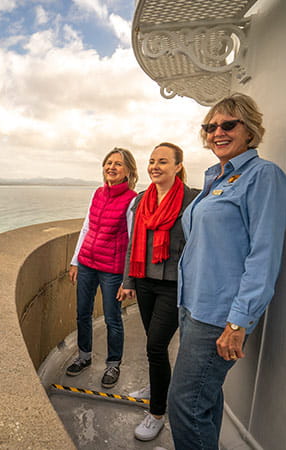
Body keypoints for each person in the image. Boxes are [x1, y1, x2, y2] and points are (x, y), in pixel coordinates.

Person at [167, 93, 286, 449]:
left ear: (249, 130)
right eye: (210, 127)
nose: (217, 132)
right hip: (193, 307)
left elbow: (264, 257)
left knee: (185, 405)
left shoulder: (263, 176)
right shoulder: (216, 179)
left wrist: (238, 323)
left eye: (227, 125)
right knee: (205, 398)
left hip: (220, 316)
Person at [116, 143, 199, 441]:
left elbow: (198, 247)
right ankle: (157, 383)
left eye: (163, 161)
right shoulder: (140, 202)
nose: (155, 166)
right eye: (152, 161)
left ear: (178, 166)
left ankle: (156, 414)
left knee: (154, 345)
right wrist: (128, 281)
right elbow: (131, 244)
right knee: (156, 347)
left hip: (174, 285)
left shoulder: (193, 200)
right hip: (145, 281)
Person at [67, 147, 139, 389]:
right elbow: (87, 227)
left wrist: (127, 279)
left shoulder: (131, 200)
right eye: (109, 163)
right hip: (87, 263)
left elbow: (133, 239)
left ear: (128, 170)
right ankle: (84, 356)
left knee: (112, 318)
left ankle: (113, 363)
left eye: (118, 164)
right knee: (82, 314)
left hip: (112, 269)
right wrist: (76, 260)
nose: (112, 167)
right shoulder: (97, 193)